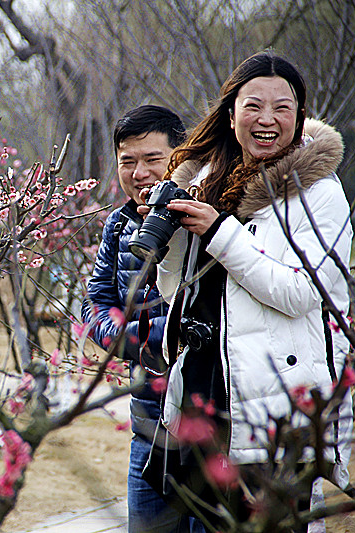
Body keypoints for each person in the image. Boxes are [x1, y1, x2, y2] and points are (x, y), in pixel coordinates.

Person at [153, 52, 353, 530]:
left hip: (275, 409)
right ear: (230, 114)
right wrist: (171, 239)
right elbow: (172, 291)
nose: (267, 120)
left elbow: (302, 293)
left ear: (300, 117)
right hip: (206, 395)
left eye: (283, 108)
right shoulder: (204, 182)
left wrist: (219, 232)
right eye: (253, 106)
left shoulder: (319, 192)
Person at [81, 105, 202, 532]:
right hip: (148, 429)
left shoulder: (204, 218)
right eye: (127, 162)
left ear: (179, 158)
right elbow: (94, 303)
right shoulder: (118, 224)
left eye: (153, 160)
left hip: (210, 428)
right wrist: (127, 338)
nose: (139, 173)